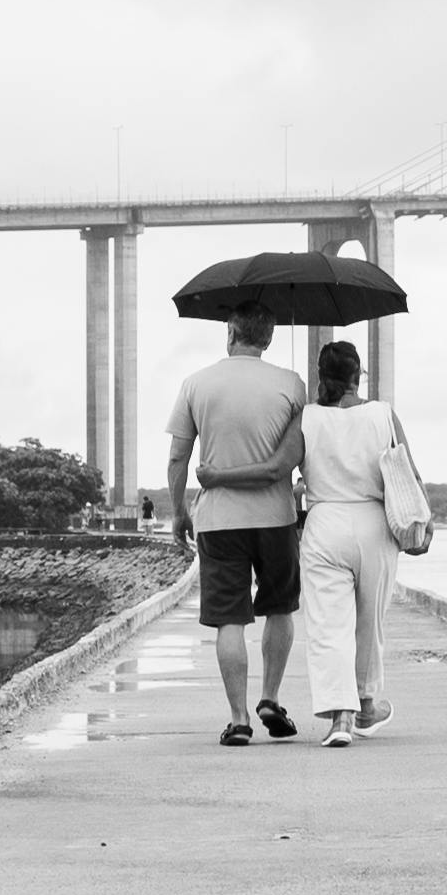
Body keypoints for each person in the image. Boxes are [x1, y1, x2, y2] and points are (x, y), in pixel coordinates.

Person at [164, 301, 306, 746]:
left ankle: (239, 718)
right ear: (268, 337)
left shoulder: (196, 384)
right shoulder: (291, 384)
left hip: (219, 520)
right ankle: (270, 697)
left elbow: (177, 457)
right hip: (276, 517)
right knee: (279, 607)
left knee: (230, 619)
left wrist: (178, 511)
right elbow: (298, 454)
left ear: (230, 332)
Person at [292, 337, 416, 747]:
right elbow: (408, 472)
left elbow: (284, 467)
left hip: (325, 523)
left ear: (321, 377)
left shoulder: (307, 418)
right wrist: (422, 525)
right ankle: (366, 703)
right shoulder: (382, 414)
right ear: (357, 375)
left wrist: (298, 492)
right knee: (368, 622)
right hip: (374, 524)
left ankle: (340, 719)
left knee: (329, 625)